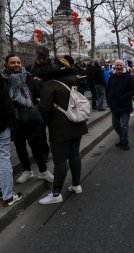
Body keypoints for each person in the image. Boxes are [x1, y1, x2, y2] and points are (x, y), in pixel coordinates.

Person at [38, 56, 88, 204]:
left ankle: (56, 193)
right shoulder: (72, 79)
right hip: (77, 123)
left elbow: (45, 108)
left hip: (60, 128)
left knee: (60, 161)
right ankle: (76, 185)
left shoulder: (50, 84)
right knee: (74, 156)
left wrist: (38, 104)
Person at [3, 54, 54, 184]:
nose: (16, 65)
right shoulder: (3, 79)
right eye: (12, 62)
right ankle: (27, 171)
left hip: (30, 117)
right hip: (14, 118)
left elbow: (38, 95)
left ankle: (43, 171)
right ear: (6, 64)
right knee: (20, 146)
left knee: (36, 146)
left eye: (18, 62)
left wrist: (35, 107)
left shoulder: (28, 77)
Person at [0, 71, 22, 207]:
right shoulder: (1, 80)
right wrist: (12, 121)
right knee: (3, 158)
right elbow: (7, 104)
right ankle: (8, 196)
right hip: (1, 124)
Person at [26, 45, 51, 161]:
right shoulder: (30, 68)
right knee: (40, 129)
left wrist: (42, 81)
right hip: (36, 102)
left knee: (53, 126)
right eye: (39, 57)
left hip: (51, 101)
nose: (41, 59)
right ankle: (44, 150)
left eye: (44, 57)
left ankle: (54, 146)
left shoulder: (52, 67)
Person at [108, 60, 134, 150]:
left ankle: (124, 142)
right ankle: (122, 138)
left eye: (121, 65)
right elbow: (108, 90)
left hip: (125, 105)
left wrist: (125, 96)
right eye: (117, 65)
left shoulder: (129, 77)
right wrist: (109, 101)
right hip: (115, 106)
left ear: (123, 66)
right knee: (115, 125)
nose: (119, 67)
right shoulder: (111, 77)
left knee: (124, 126)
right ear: (115, 67)